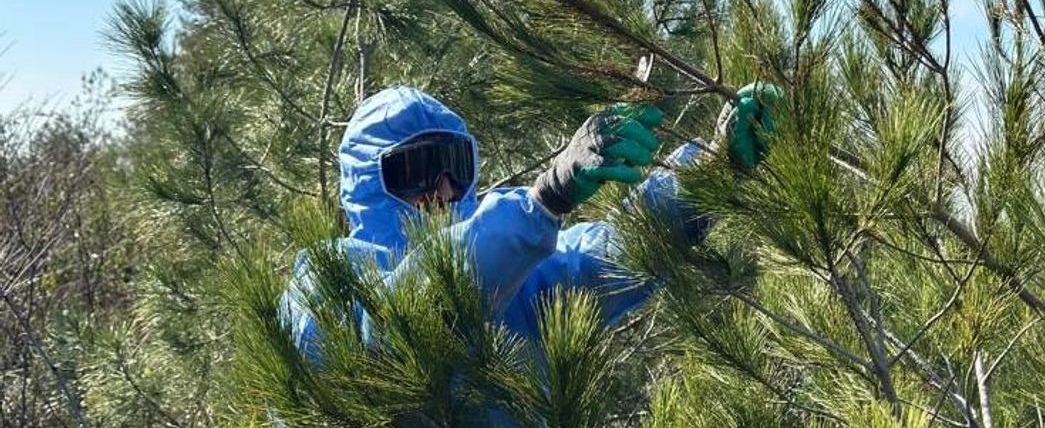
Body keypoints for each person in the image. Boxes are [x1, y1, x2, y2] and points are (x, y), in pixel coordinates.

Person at [280, 82, 780, 361]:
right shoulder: (323, 285)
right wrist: (544, 199)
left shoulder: (514, 282)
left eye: (456, 166)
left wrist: (714, 173)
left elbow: (602, 259)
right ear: (368, 183)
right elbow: (389, 333)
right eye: (417, 169)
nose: (446, 189)